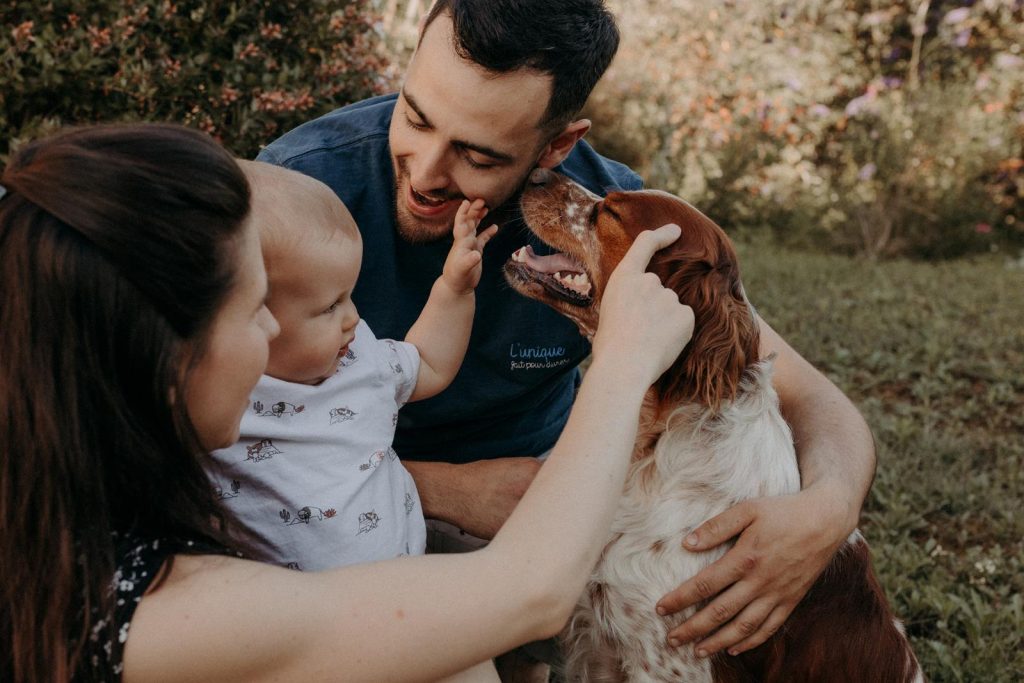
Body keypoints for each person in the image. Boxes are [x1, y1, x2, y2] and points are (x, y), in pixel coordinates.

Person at [257, 0, 877, 663]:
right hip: (330, 512)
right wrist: (443, 488)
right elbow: (221, 446)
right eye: (414, 115)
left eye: (477, 153)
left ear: (558, 146)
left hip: (539, 525)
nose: (428, 172)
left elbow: (808, 395)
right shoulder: (298, 194)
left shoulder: (617, 227)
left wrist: (830, 508)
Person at [0, 123, 693, 682]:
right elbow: (528, 590)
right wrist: (625, 360)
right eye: (252, 313)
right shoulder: (136, 613)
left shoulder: (69, 479)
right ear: (165, 359)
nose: (273, 332)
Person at [207, 161, 495, 572]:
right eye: (329, 306)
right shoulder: (218, 400)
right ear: (248, 313)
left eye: (349, 296)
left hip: (405, 577)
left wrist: (453, 290)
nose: (354, 319)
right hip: (303, 620)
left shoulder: (357, 359)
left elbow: (428, 363)